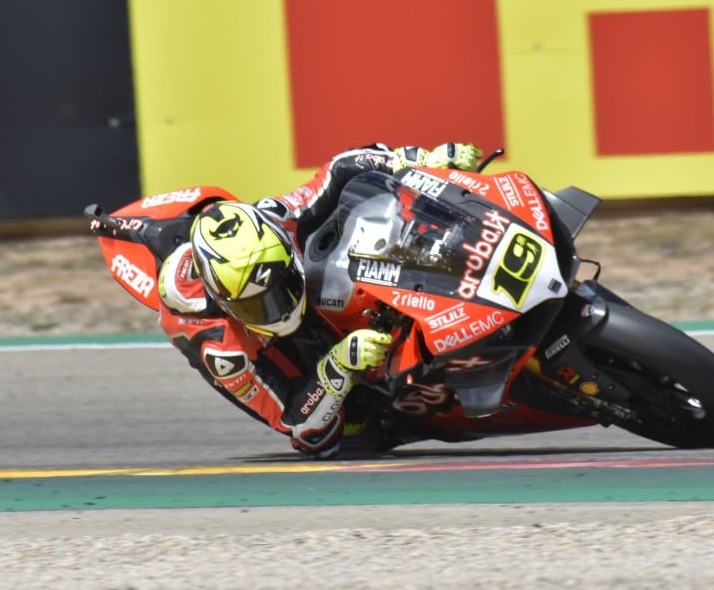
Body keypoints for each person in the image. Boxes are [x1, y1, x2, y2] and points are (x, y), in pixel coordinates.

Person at [155, 142, 482, 459]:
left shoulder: (277, 217)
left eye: (281, 289)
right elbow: (296, 424)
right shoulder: (222, 348)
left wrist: (417, 161)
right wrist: (339, 364)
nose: (279, 310)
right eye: (256, 305)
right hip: (270, 357)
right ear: (224, 302)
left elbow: (341, 168)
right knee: (345, 435)